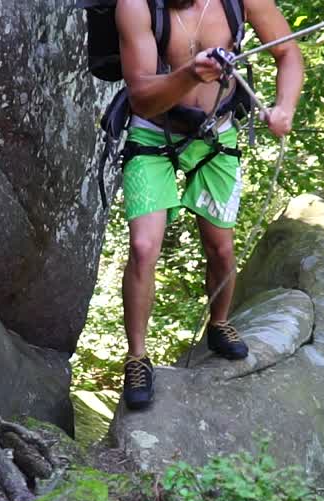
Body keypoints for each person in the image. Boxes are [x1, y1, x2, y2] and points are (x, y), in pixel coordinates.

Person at [115, 0, 304, 410]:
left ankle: (219, 325)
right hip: (152, 136)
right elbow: (142, 97)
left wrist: (284, 107)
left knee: (220, 248)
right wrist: (189, 73)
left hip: (217, 136)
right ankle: (136, 356)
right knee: (145, 248)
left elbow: (288, 53)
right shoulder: (136, 5)